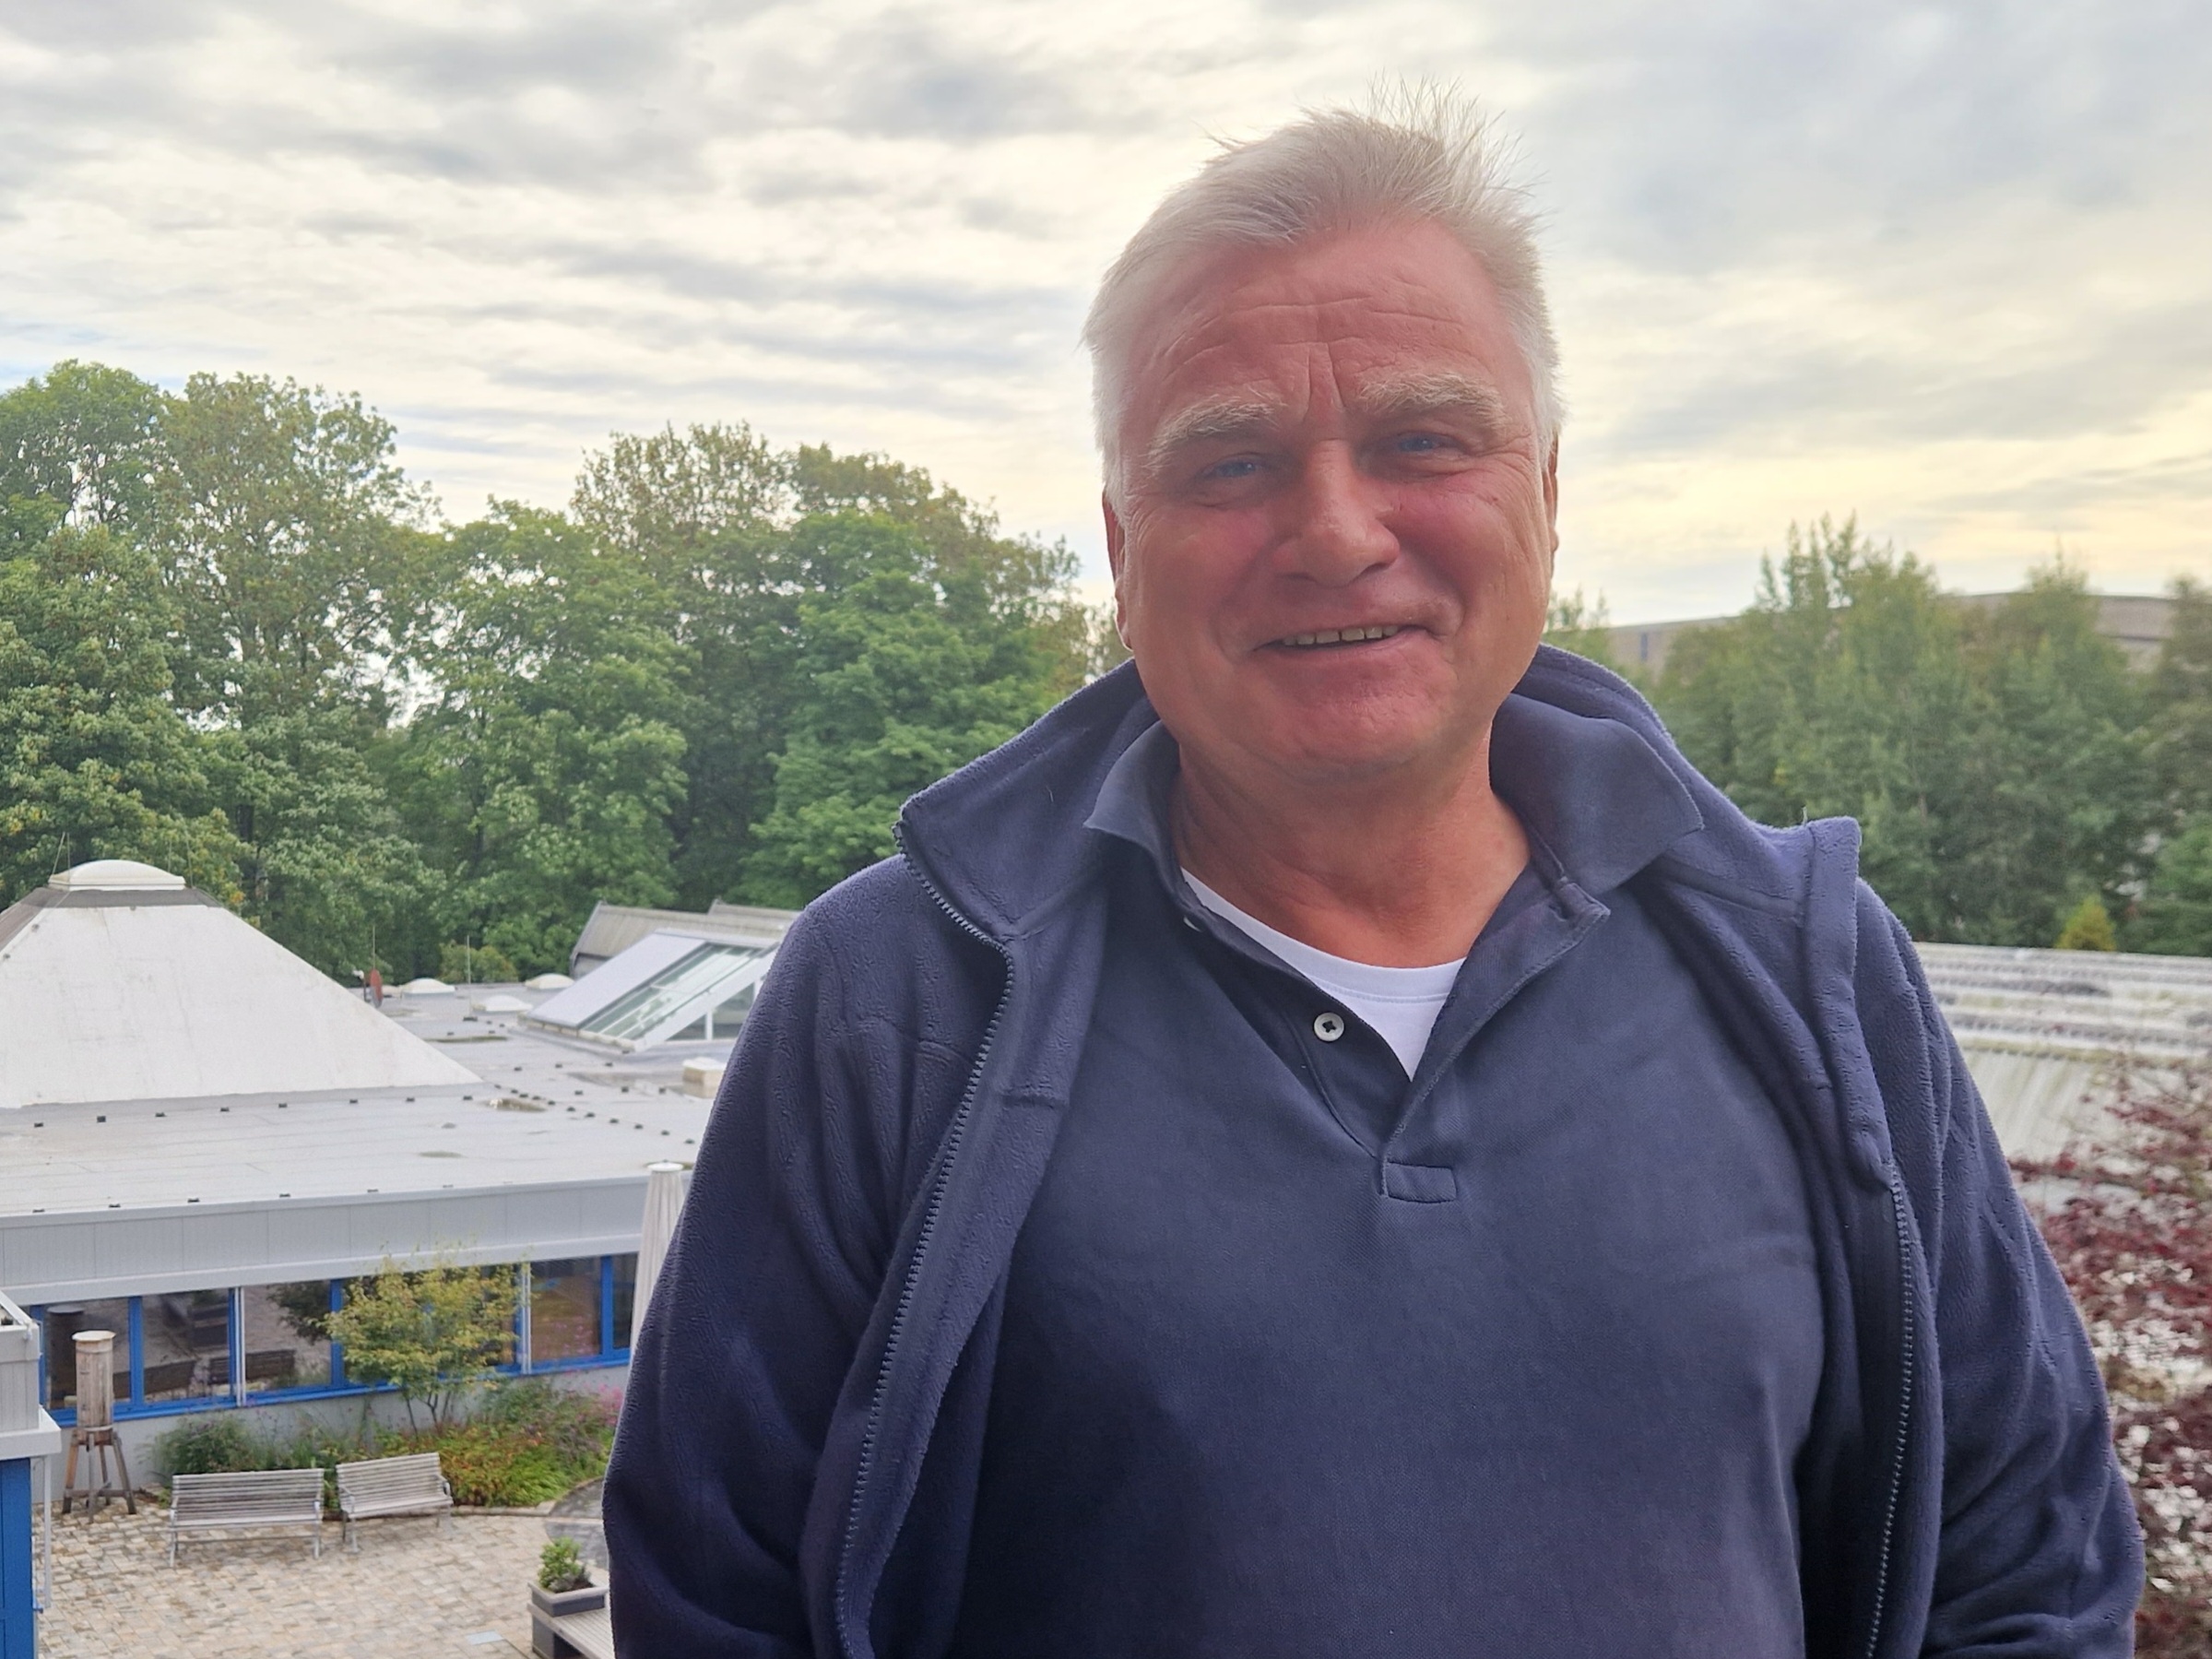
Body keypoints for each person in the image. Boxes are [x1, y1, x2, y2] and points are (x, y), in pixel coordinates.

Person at [605, 96, 2139, 1658]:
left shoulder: (1809, 971)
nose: (1335, 534)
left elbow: (2029, 1567)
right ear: (1123, 548)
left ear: (1547, 492)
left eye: (1422, 441)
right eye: (1231, 463)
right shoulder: (896, 1005)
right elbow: (716, 1602)